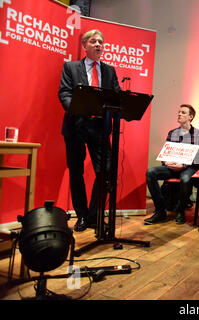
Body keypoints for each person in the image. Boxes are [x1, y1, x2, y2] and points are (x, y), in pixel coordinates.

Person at [58, 30, 121, 232]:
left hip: (100, 128)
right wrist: (77, 109)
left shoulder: (110, 71)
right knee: (76, 172)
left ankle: (94, 215)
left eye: (101, 42)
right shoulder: (70, 67)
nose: (98, 45)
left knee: (106, 171)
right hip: (76, 126)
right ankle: (82, 216)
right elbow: (65, 93)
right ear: (84, 46)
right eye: (93, 41)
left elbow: (116, 96)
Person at [145, 104, 199, 225]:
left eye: (183, 112)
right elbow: (166, 151)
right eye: (179, 112)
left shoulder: (198, 134)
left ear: (190, 117)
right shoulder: (172, 133)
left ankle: (181, 211)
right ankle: (160, 211)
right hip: (172, 167)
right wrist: (166, 162)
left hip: (188, 167)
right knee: (150, 173)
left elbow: (198, 157)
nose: (179, 114)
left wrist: (183, 165)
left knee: (186, 178)